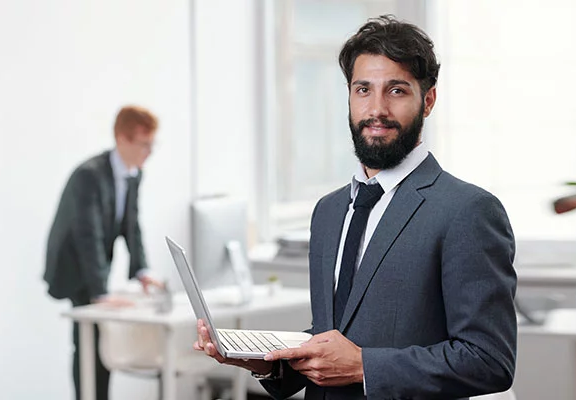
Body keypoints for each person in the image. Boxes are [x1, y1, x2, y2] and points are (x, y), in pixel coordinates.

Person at [195, 15, 517, 399]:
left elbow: (488, 360)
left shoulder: (468, 211)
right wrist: (268, 360)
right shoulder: (329, 212)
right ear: (349, 96)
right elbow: (332, 335)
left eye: (396, 91)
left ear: (427, 101)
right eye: (363, 89)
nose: (376, 109)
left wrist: (364, 365)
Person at [44, 105, 165, 400]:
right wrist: (100, 291)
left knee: (102, 343)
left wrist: (142, 271)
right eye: (144, 143)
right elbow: (89, 235)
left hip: (96, 265)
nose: (149, 151)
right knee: (88, 343)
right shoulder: (90, 176)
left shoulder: (134, 174)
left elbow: (131, 225)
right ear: (122, 139)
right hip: (75, 268)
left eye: (153, 144)